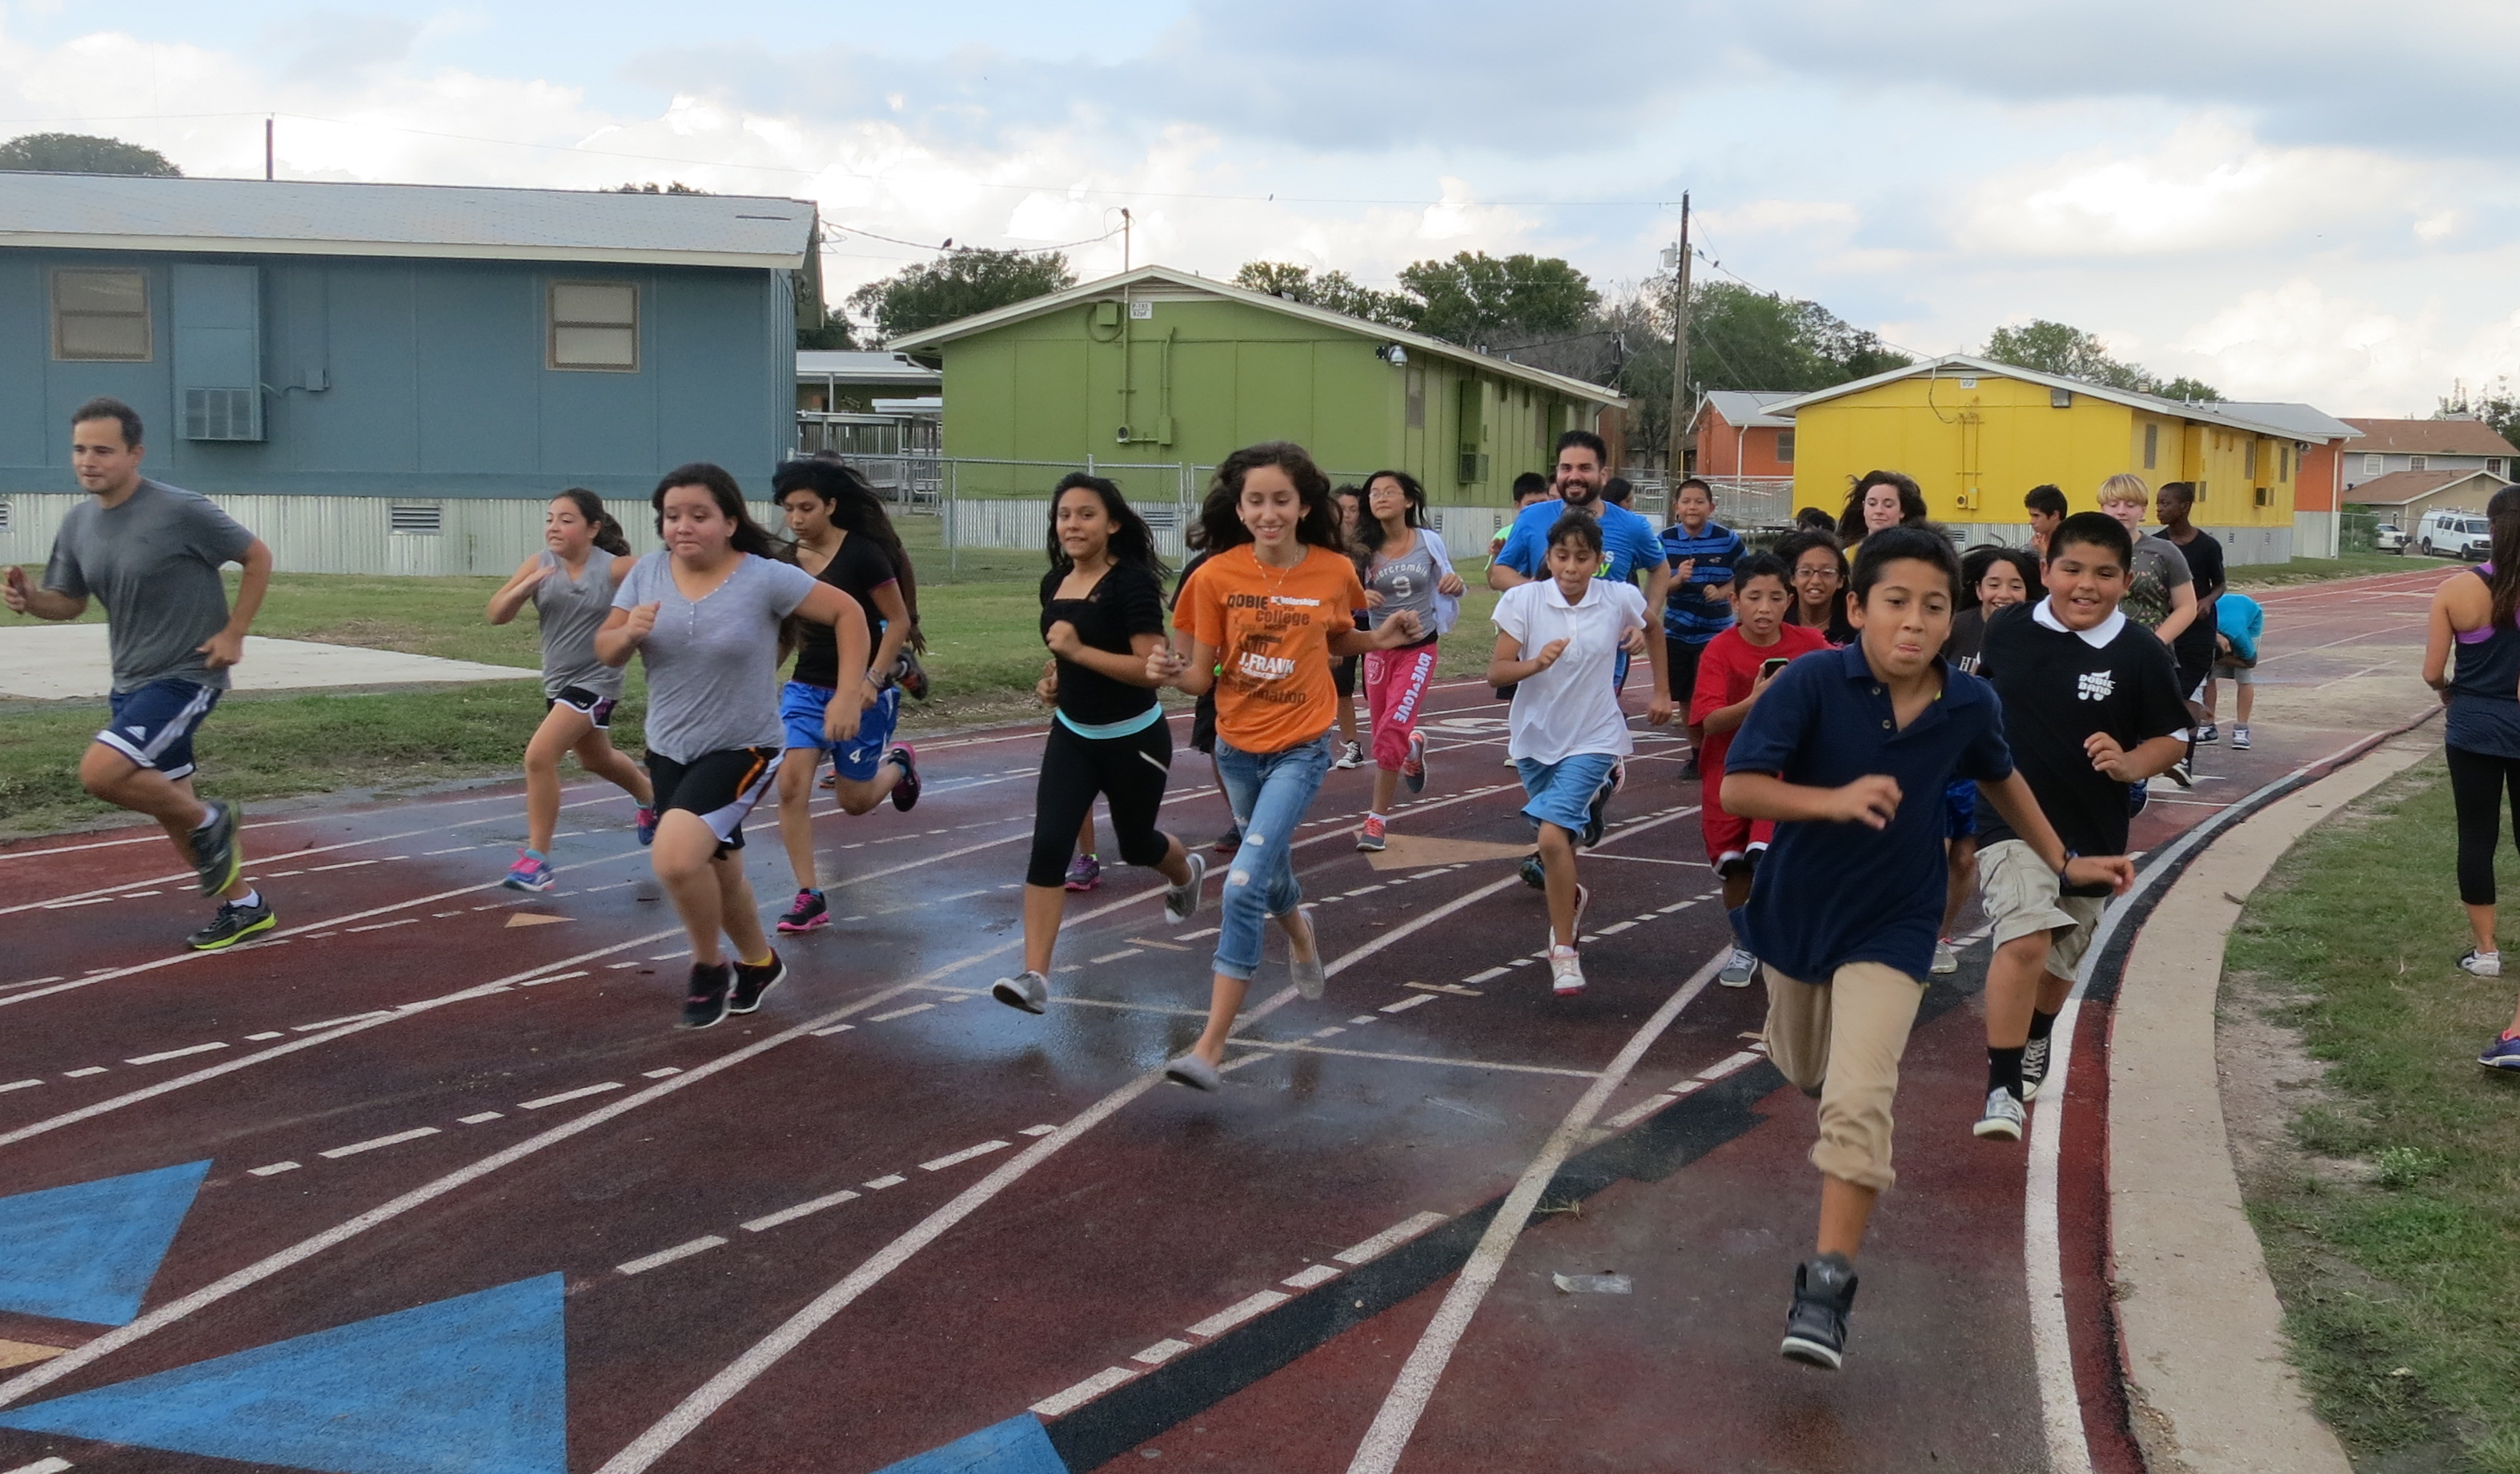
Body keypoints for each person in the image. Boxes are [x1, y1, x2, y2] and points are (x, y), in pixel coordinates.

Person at [1723, 525, 2132, 1370]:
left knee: (1860, 1096)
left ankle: (1826, 1288)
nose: (1914, 622)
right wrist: (1831, 800)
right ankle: (1795, 1045)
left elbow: (1998, 774)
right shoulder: (1808, 682)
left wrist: (2062, 860)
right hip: (1796, 917)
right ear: (1856, 607)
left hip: (1896, 923)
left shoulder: (1967, 702)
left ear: (1954, 619)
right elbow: (1739, 785)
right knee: (1809, 1069)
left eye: (1934, 606)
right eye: (1896, 602)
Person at [1147, 443, 1425, 1090]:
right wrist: (1167, 671)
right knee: (1266, 873)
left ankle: (1210, 1048)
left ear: (1304, 506)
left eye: (1281, 500)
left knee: (1243, 882)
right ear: (1239, 509)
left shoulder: (1333, 570)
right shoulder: (1214, 577)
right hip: (1236, 747)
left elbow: (1334, 637)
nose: (1268, 512)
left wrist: (1377, 637)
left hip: (1302, 747)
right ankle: (1301, 931)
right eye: (1255, 501)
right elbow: (1198, 678)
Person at [596, 464, 869, 1029]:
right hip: (670, 747)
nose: (683, 526)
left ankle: (706, 964)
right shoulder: (646, 574)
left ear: (729, 521)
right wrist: (627, 633)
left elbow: (849, 613)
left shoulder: (763, 577)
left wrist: (847, 695)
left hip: (743, 747)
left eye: (699, 515)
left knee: (674, 857)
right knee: (719, 870)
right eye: (672, 516)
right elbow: (606, 650)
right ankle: (759, 961)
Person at [6, 397, 279, 951]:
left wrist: (235, 632)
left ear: (135, 454)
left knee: (102, 773)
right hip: (129, 680)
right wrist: (32, 598)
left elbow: (257, 557)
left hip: (187, 674)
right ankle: (244, 906)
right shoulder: (79, 522)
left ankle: (214, 817)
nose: (88, 460)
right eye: (80, 449)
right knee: (168, 805)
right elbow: (70, 602)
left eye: (103, 450)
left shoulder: (181, 510)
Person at [1970, 513, 2185, 1140]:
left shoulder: (2140, 650)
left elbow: (2171, 736)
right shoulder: (2009, 629)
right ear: (2045, 573)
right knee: (2026, 935)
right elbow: (1978, 693)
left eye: (2103, 573)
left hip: (2093, 829)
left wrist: (2129, 763)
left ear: (2125, 582)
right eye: (2071, 569)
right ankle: (2002, 1085)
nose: (2085, 585)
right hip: (2009, 818)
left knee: (2060, 959)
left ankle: (2037, 1035)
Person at [989, 475, 1207, 1014]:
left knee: (1136, 846)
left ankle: (1186, 871)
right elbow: (1063, 657)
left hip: (1133, 739)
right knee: (1049, 845)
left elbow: (1150, 671)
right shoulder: (1054, 583)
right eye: (1064, 514)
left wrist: (1079, 652)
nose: (1072, 525)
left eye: (1086, 514)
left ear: (1112, 523)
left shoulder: (1129, 584)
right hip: (1073, 736)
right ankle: (1035, 975)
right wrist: (1054, 681)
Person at [1490, 512, 1669, 997]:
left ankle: (1563, 951)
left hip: (1594, 735)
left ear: (1599, 561)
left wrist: (1661, 692)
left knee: (1550, 839)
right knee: (1561, 843)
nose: (1571, 567)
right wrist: (1535, 662)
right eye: (1562, 556)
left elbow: (1652, 628)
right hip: (1534, 739)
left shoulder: (1618, 598)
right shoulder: (1523, 599)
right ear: (1549, 558)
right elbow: (1497, 674)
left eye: (1582, 557)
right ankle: (1571, 894)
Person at [766, 460, 924, 934]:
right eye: (789, 509)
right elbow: (786, 633)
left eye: (807, 508)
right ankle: (808, 895)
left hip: (861, 689)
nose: (796, 519)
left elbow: (897, 622)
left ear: (831, 506)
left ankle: (899, 765)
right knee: (791, 785)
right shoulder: (785, 562)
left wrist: (872, 682)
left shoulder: (863, 555)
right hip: (806, 690)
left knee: (854, 803)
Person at [484, 488, 656, 892]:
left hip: (597, 681)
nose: (554, 527)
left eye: (566, 519)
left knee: (540, 756)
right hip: (559, 684)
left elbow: (664, 578)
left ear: (593, 528)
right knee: (596, 759)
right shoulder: (539, 564)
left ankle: (537, 860)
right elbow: (496, 614)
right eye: (549, 519)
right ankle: (650, 798)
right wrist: (524, 588)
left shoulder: (616, 569)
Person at [1690, 552, 1828, 986]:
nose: (1764, 608)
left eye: (1774, 598)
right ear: (1735, 601)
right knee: (1735, 867)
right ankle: (1744, 942)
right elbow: (1709, 722)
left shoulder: (1809, 643)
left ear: (1789, 600)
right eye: (1754, 598)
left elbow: (1848, 673)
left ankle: (1785, 935)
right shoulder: (1719, 650)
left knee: (1768, 857)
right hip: (1728, 773)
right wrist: (1756, 701)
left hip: (1786, 774)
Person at [2422, 486, 2520, 1042]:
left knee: (2477, 835)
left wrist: (2450, 691)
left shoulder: (2457, 587)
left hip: (2474, 724)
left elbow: (2434, 671)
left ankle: (2486, 951)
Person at [1488, 431, 1671, 701]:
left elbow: (1660, 568)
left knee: (1592, 727)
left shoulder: (1632, 526)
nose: (1574, 476)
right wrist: (1541, 589)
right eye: (1566, 468)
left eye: (1584, 468)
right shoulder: (1531, 518)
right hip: (1542, 661)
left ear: (1603, 475)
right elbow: (1499, 574)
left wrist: (1641, 620)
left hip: (1604, 663)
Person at [1933, 546, 2041, 970]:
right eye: (1994, 584)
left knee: (1964, 858)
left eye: (2015, 585)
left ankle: (1940, 933)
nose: (2003, 593)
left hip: (1995, 764)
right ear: (1978, 589)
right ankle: (1914, 933)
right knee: (1933, 853)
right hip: (1945, 758)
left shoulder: (2036, 635)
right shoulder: (1955, 627)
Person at [1350, 469, 1464, 851]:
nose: (1380, 498)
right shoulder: (1361, 550)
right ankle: (1414, 749)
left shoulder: (1428, 541)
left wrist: (1456, 584)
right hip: (1379, 649)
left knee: (1390, 733)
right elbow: (1340, 596)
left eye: (1389, 492)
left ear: (1409, 501)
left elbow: (1449, 582)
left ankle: (1376, 820)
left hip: (1419, 647)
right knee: (1384, 727)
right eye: (1374, 493)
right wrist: (1359, 596)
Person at [2097, 475, 2200, 794]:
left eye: (2129, 504)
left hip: (2148, 657)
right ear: (2101, 508)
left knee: (2143, 727)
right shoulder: (2090, 550)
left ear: (2143, 509)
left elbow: (2186, 606)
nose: (2121, 511)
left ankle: (2140, 782)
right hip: (2098, 654)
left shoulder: (2164, 552)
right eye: (2113, 504)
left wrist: (2153, 644)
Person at [1660, 476, 1746, 782]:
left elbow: (1746, 575)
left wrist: (1723, 591)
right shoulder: (1665, 540)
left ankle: (1726, 752)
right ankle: (1697, 755)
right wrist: (1678, 580)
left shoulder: (1728, 539)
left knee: (1716, 695)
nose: (1692, 507)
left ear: (1712, 507)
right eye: (1686, 501)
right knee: (1687, 696)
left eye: (1699, 501)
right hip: (1677, 631)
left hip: (1717, 633)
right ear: (1676, 508)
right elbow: (1657, 589)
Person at [2155, 482, 2226, 741]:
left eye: (2165, 503)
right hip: (2166, 629)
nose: (2159, 509)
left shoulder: (2207, 546)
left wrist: (2207, 601)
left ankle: (2185, 753)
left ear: (2184, 507)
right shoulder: (2158, 544)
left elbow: (2220, 584)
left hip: (2198, 630)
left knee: (2189, 691)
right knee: (2167, 689)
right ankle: (2168, 744)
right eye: (2158, 503)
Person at [1328, 485, 1369, 770]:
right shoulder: (1327, 547)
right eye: (1342, 510)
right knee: (1341, 685)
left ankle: (1391, 739)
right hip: (1342, 624)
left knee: (1374, 687)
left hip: (1374, 622)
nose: (1347, 516)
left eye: (1353, 510)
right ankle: (1352, 744)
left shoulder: (1373, 545)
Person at [2204, 589, 2263, 750]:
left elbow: (2250, 662)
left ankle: (2242, 728)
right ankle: (2208, 726)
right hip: (2219, 617)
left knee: (2243, 676)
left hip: (2249, 616)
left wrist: (2226, 659)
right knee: (2208, 675)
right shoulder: (2203, 631)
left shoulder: (2239, 636)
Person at [1777, 529, 1857, 646]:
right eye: (1805, 572)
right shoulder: (1778, 621)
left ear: (1840, 580)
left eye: (1827, 572)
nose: (1816, 581)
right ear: (1792, 578)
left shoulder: (1855, 625)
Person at [1834, 469, 1928, 547]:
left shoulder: (1915, 553)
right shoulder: (1847, 555)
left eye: (1888, 505)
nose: (1879, 511)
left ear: (1902, 510)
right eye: (1872, 504)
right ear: (1863, 507)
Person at [1491, 472, 1556, 562]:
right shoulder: (1505, 534)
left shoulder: (1558, 530)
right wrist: (1497, 555)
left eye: (1543, 503)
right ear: (1518, 505)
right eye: (1531, 504)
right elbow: (1492, 575)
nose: (1537, 509)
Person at [2024, 484, 2068, 558]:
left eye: (2036, 516)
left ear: (2055, 515)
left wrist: (2045, 554)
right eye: (2031, 516)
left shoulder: (2073, 542)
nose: (2031, 522)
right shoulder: (2034, 545)